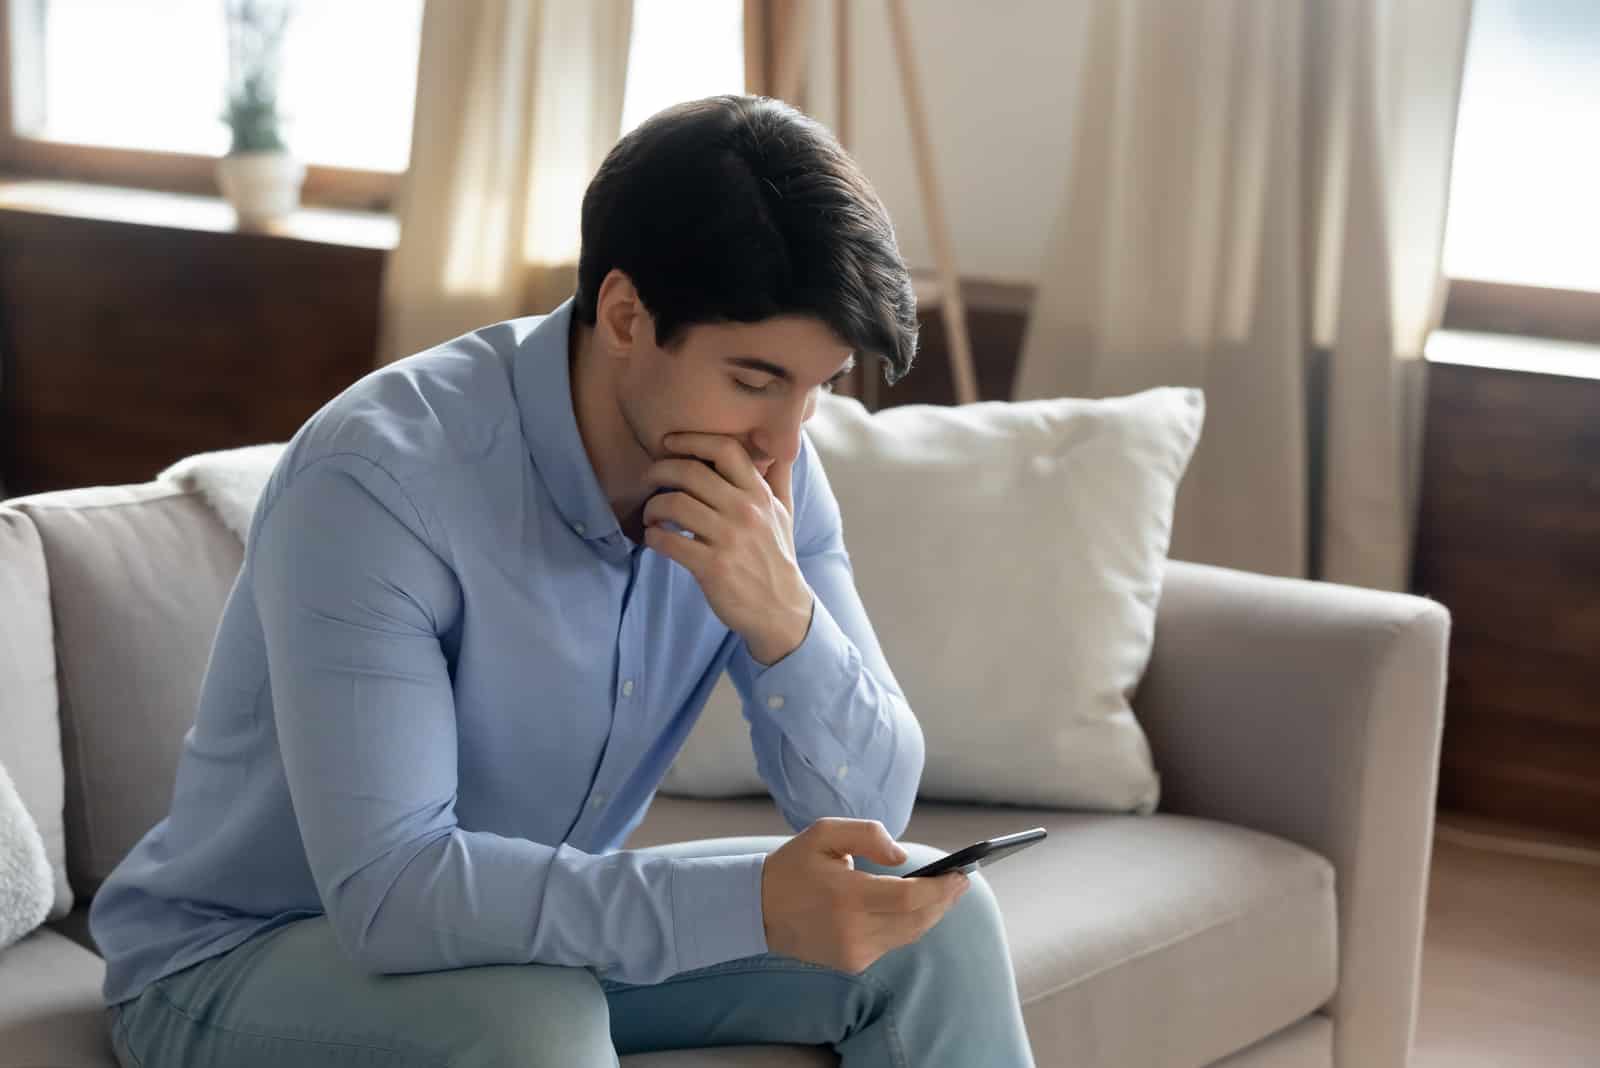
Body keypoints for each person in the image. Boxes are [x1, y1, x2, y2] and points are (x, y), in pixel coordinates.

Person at [90, 94, 1035, 1067]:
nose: (787, 439)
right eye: (754, 379)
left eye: (820, 387)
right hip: (245, 956)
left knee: (933, 919)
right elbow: (392, 893)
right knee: (533, 1022)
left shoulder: (768, 471)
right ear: (626, 314)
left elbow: (874, 821)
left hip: (518, 941)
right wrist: (745, 903)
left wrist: (784, 622)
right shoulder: (377, 479)